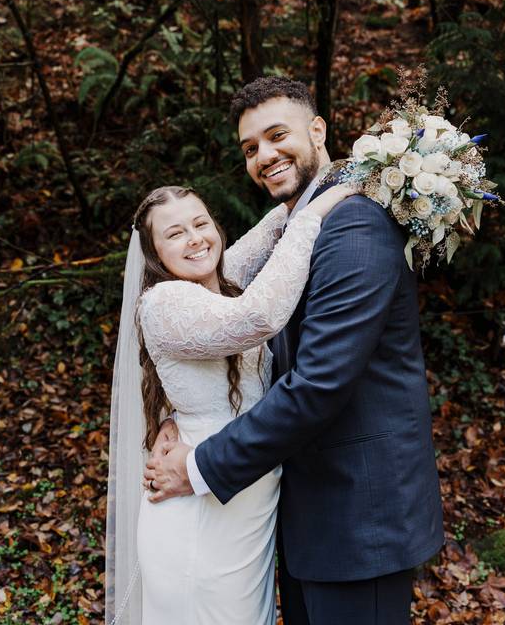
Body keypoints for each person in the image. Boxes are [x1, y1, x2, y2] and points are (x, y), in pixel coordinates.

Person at [143, 76, 445, 625]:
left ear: (317, 129)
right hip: (301, 515)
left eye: (276, 135)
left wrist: (201, 464)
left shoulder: (354, 223)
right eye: (250, 148)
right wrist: (178, 417)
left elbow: (319, 382)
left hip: (359, 520)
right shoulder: (298, 223)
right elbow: (215, 338)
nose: (265, 155)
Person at [105, 179, 355, 625]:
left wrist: (348, 173)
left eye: (201, 223)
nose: (195, 238)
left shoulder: (217, 282)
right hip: (197, 510)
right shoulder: (165, 301)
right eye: (175, 233)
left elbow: (270, 230)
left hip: (246, 508)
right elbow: (258, 316)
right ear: (154, 253)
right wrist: (312, 218)